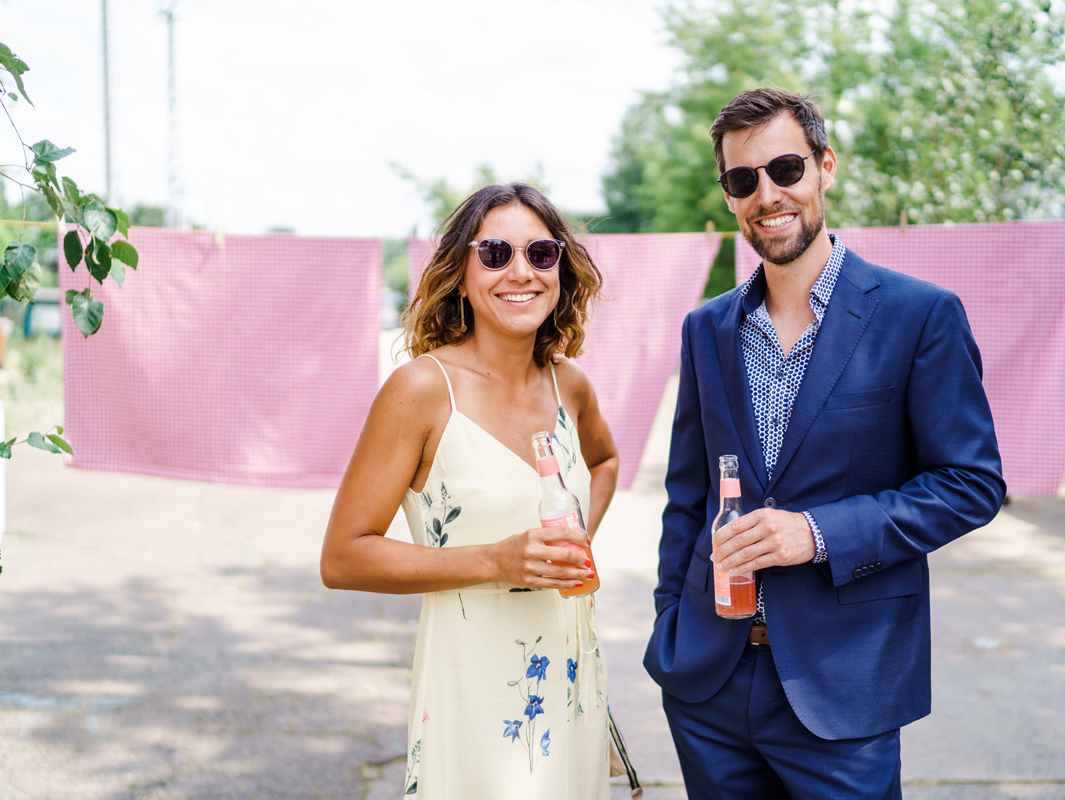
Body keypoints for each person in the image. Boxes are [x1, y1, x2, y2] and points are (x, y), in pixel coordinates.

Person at [643, 87, 1006, 798]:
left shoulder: (919, 315)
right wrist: (669, 624)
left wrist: (815, 532)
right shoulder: (706, 329)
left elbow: (971, 484)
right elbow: (688, 493)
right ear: (727, 196)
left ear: (825, 167)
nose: (767, 195)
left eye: (785, 169)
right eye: (742, 180)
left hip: (844, 690)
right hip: (708, 684)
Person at [321, 183, 619, 799]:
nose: (521, 272)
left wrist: (578, 534)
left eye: (541, 253)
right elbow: (343, 556)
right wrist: (494, 560)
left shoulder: (571, 386)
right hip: (475, 693)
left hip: (571, 687)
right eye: (495, 254)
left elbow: (606, 460)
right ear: (460, 274)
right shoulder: (421, 391)